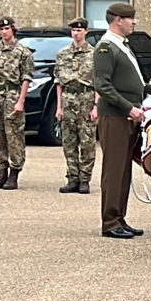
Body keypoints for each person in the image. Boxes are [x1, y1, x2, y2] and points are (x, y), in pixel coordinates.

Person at [93, 2, 151, 239]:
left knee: (123, 169)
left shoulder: (121, 45)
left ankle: (119, 217)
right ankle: (110, 221)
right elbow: (103, 85)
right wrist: (129, 107)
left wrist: (148, 89)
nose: (133, 22)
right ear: (117, 20)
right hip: (115, 116)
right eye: (130, 18)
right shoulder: (106, 47)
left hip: (127, 115)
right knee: (114, 169)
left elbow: (127, 81)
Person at [55, 17, 98, 194]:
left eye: (79, 30)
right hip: (68, 99)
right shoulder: (63, 54)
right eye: (73, 30)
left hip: (86, 99)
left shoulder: (94, 54)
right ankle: (72, 178)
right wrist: (58, 107)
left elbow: (99, 83)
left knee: (87, 141)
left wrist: (96, 106)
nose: (76, 33)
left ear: (86, 32)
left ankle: (85, 179)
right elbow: (58, 82)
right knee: (69, 141)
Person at [0, 17, 34, 190]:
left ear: (13, 30)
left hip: (12, 95)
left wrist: (21, 101)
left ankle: (14, 173)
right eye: (1, 29)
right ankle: (1, 171)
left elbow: (26, 78)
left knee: (14, 136)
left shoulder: (23, 52)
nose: (4, 32)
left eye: (7, 29)